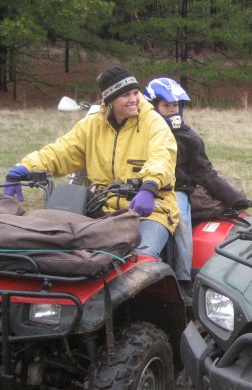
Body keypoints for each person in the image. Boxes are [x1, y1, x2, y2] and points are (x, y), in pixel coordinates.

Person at [3, 65, 179, 259]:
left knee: (140, 258)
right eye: (125, 95)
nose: (134, 99)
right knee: (64, 252)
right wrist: (24, 167)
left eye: (136, 93)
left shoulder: (153, 123)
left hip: (150, 210)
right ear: (110, 100)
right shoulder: (92, 125)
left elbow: (162, 157)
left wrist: (149, 187)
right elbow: (61, 151)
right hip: (102, 209)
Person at [143, 77, 249, 300]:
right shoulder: (140, 134)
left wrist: (233, 197)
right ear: (152, 107)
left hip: (175, 190)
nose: (172, 110)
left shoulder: (188, 138)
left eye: (175, 105)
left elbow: (204, 173)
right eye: (166, 106)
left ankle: (183, 279)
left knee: (180, 222)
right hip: (141, 188)